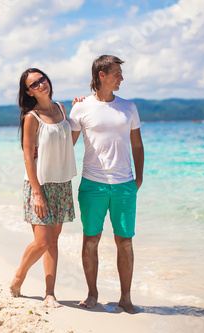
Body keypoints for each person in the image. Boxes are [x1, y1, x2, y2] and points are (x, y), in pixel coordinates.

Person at [69, 55, 144, 314]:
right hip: (93, 184)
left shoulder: (129, 107)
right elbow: (68, 144)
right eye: (116, 73)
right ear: (101, 75)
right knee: (91, 239)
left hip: (124, 186)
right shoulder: (81, 107)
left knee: (125, 242)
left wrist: (139, 178)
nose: (121, 78)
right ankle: (92, 294)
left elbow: (137, 144)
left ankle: (125, 297)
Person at [10, 68, 77, 308]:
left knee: (54, 241)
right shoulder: (31, 117)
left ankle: (50, 293)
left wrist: (78, 109)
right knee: (42, 241)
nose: (41, 85)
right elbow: (28, 156)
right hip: (39, 185)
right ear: (28, 91)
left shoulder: (61, 108)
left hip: (61, 183)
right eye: (35, 84)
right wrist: (37, 193)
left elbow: (67, 142)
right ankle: (19, 275)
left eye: (42, 79)